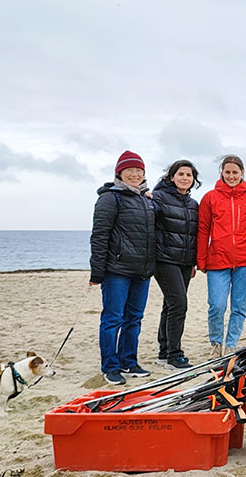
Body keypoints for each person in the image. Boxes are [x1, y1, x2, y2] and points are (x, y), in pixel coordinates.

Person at [89, 150, 155, 385]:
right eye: (130, 170)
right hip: (116, 270)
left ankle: (129, 361)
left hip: (142, 270)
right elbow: (99, 236)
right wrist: (97, 272)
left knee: (134, 318)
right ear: (120, 173)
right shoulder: (110, 197)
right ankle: (110, 365)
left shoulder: (146, 199)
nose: (135, 174)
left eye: (139, 171)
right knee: (112, 319)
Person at [197, 155, 246, 358]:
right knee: (216, 305)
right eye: (227, 172)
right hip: (217, 260)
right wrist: (201, 260)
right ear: (221, 173)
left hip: (245, 261)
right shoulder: (210, 197)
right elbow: (203, 230)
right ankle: (216, 343)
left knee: (238, 307)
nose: (231, 176)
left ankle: (231, 344)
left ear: (242, 173)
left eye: (235, 172)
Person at [152, 160, 201, 369]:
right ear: (172, 176)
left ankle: (163, 352)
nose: (184, 178)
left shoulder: (192, 204)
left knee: (170, 305)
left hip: (184, 262)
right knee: (179, 305)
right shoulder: (158, 197)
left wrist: (193, 262)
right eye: (180, 174)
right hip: (164, 260)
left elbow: (193, 235)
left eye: (189, 175)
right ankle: (174, 355)